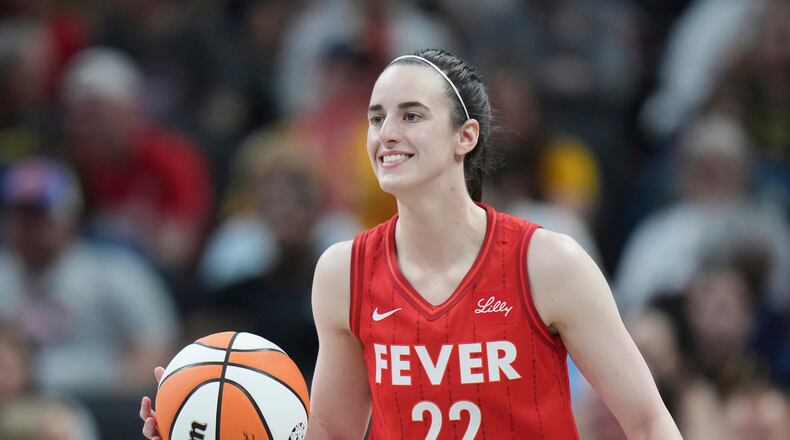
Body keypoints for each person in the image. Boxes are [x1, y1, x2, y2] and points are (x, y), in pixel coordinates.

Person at [142, 49, 679, 439]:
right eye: (377, 118)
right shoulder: (342, 271)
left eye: (411, 115)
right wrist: (202, 419)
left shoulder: (548, 262)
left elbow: (650, 422)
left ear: (464, 137)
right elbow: (330, 433)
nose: (386, 134)